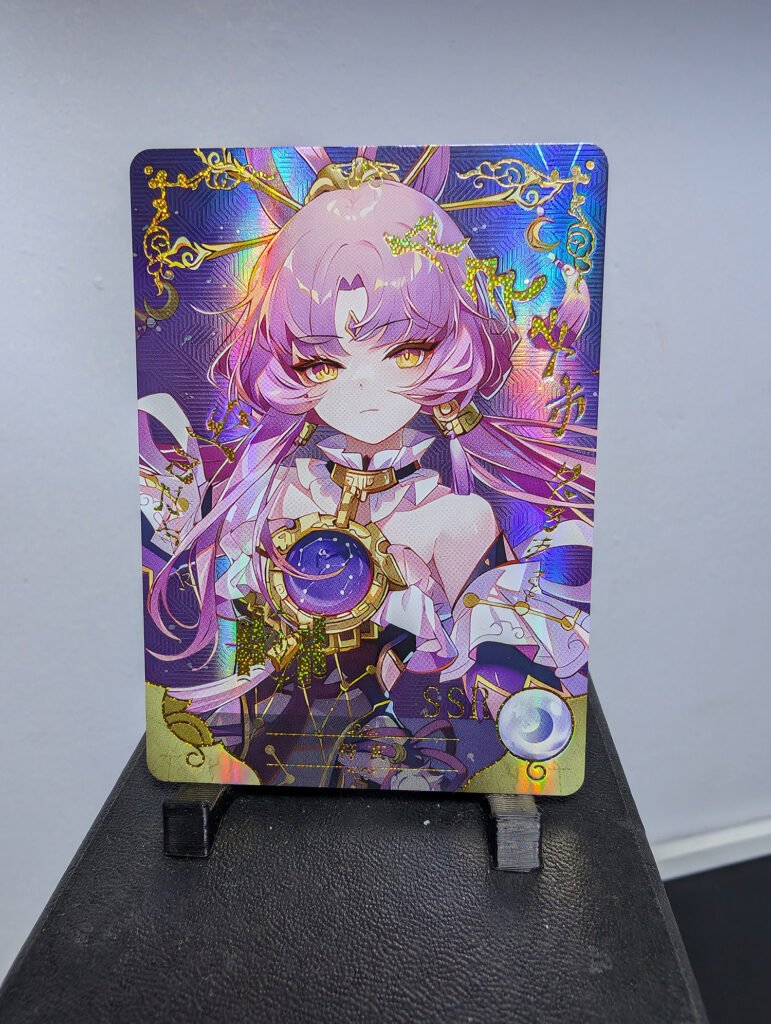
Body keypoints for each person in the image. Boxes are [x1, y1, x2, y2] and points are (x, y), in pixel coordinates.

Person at [139, 147, 596, 790]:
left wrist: (436, 660)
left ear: (454, 345)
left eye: (405, 351)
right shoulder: (271, 496)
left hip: (418, 776)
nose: (362, 387)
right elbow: (227, 659)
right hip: (265, 769)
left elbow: (483, 697)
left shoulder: (458, 519)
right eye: (321, 362)